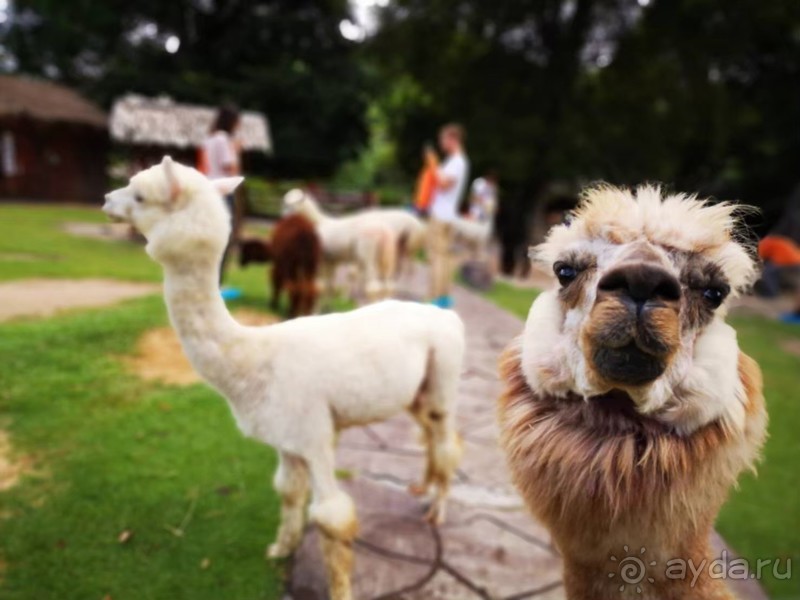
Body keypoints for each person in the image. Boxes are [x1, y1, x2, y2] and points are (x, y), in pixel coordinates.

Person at [428, 123, 469, 308]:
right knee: (443, 257)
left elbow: (444, 183)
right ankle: (442, 297)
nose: (441, 143)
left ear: (452, 139)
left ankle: (437, 297)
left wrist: (432, 164)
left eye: (443, 139)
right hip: (447, 215)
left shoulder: (457, 161)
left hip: (441, 215)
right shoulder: (457, 161)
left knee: (437, 257)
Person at [200, 104, 242, 287]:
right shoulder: (224, 140)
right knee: (224, 240)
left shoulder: (209, 139)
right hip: (223, 192)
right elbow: (230, 168)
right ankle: (216, 283)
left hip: (207, 190)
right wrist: (236, 151)